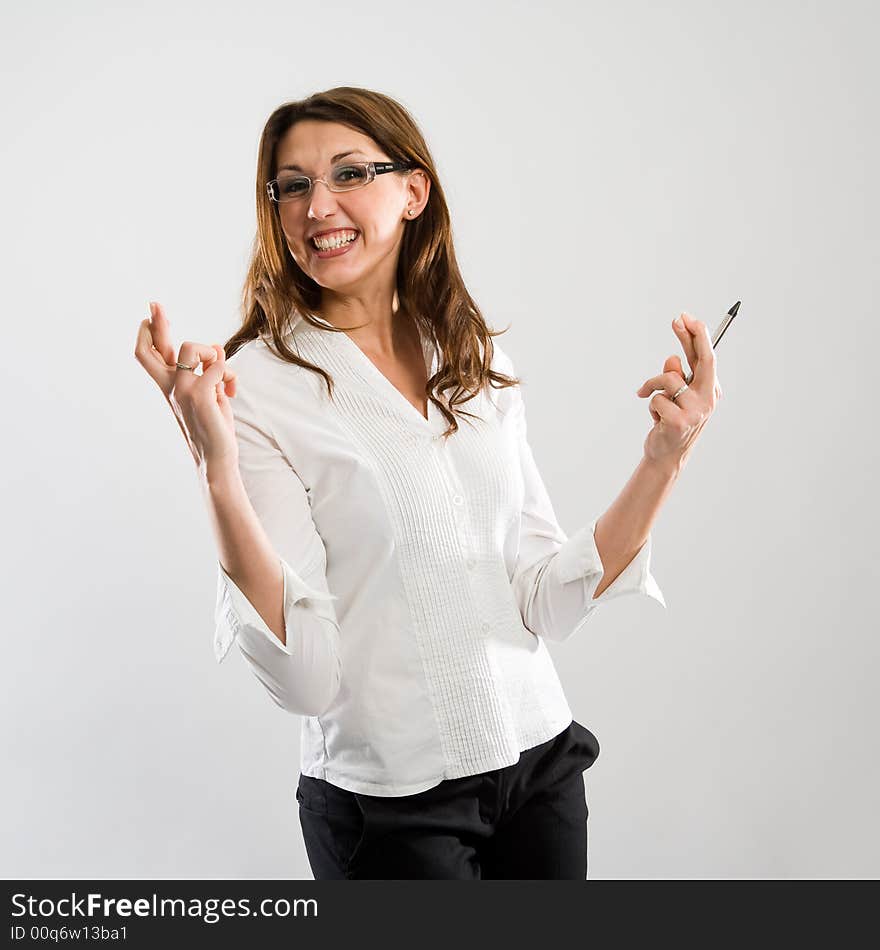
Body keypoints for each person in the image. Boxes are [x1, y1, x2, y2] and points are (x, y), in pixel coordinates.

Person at [134, 86, 721, 880]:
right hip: (390, 807)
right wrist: (215, 466)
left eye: (348, 174)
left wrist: (665, 458)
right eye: (293, 185)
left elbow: (546, 597)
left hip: (542, 766)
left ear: (414, 192)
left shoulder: (472, 353)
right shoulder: (255, 387)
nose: (318, 206)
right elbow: (306, 677)